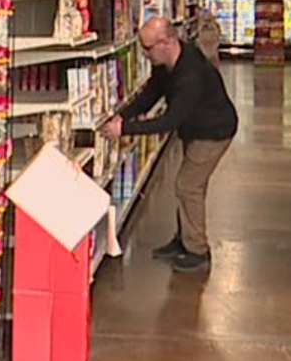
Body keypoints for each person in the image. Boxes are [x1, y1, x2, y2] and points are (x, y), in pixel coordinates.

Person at [99, 15, 239, 273]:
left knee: (188, 186)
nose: (144, 54)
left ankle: (198, 251)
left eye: (148, 48)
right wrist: (124, 114)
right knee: (190, 186)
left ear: (166, 42)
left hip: (214, 131)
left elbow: (169, 121)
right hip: (196, 129)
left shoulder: (190, 74)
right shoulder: (166, 64)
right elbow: (152, 92)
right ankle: (184, 239)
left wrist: (125, 129)